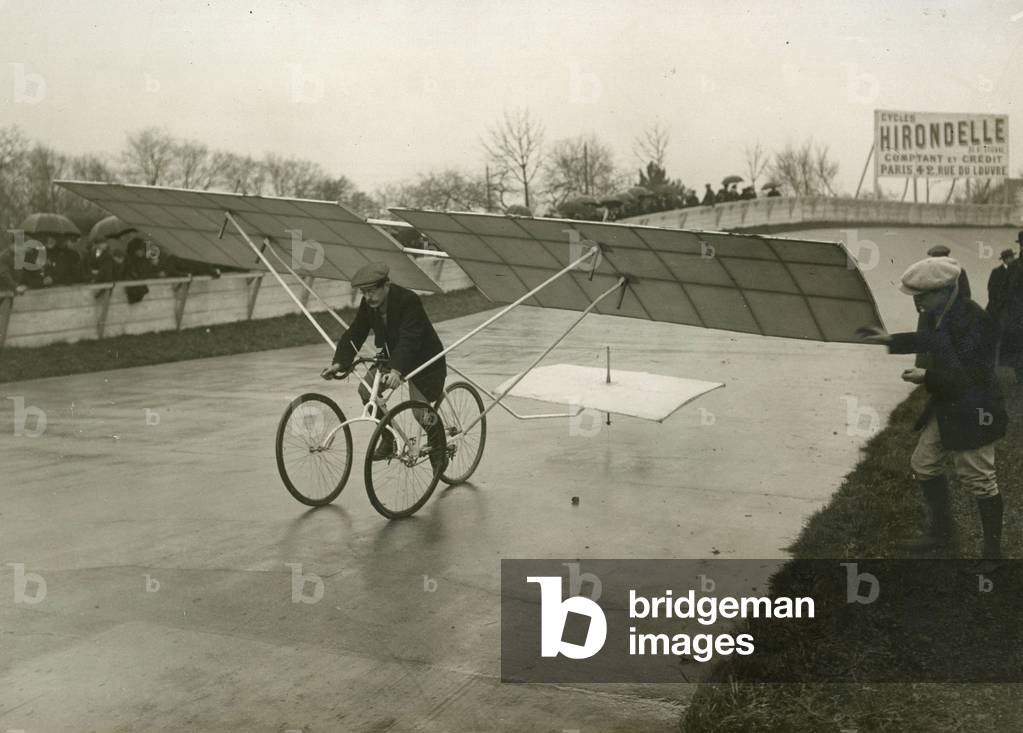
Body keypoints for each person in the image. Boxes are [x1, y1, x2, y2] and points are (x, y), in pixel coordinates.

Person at [858, 257, 1006, 563]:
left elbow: (973, 376)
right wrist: (890, 339)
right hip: (949, 404)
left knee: (979, 478)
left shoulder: (973, 319)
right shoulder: (946, 313)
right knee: (924, 464)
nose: (918, 302)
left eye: (922, 296)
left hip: (975, 410)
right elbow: (933, 340)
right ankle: (943, 533)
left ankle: (993, 552)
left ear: (944, 290)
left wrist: (927, 377)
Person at [322, 262, 448, 466]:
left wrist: (396, 371)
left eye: (372, 291)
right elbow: (356, 332)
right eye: (364, 292)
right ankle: (388, 438)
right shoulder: (369, 305)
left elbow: (409, 339)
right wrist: (339, 364)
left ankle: (439, 447)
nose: (368, 297)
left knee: (421, 413)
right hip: (393, 357)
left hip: (424, 359)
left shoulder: (408, 300)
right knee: (366, 391)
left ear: (386, 284)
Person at [1000, 231, 1023, 383]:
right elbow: (1006, 291)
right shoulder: (1014, 266)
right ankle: (1020, 376)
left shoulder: (1015, 266)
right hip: (1017, 313)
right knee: (1017, 345)